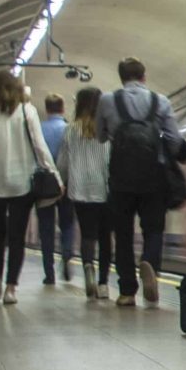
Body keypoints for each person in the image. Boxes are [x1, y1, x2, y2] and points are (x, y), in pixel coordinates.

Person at [0, 69, 59, 304]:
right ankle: (11, 289)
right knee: (17, 237)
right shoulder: (27, 112)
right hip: (22, 183)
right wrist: (55, 175)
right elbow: (39, 146)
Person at [101, 56, 181, 309]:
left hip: (120, 178)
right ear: (144, 76)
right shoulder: (161, 101)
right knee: (153, 229)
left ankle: (126, 292)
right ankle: (150, 265)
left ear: (121, 77)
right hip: (153, 177)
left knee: (123, 233)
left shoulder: (107, 100)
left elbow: (100, 135)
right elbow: (175, 139)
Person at [62, 86, 112, 301]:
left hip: (80, 190)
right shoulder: (108, 128)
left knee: (87, 235)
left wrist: (61, 181)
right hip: (105, 189)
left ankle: (88, 266)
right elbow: (112, 159)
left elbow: (63, 162)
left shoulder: (71, 130)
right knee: (105, 237)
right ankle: (103, 283)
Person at [36, 93, 78, 287]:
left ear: (47, 109)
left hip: (44, 184)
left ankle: (49, 273)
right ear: (62, 108)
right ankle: (67, 253)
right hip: (67, 183)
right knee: (67, 223)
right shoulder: (69, 129)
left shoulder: (38, 129)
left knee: (46, 229)